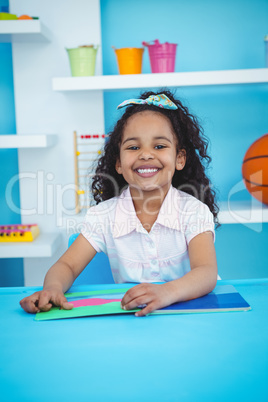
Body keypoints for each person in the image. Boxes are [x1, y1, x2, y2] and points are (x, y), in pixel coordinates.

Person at [20, 90, 219, 317]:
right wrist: (52, 288)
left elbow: (206, 272)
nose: (145, 155)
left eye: (159, 146)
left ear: (179, 158)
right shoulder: (103, 216)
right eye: (133, 147)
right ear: (118, 163)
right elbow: (67, 266)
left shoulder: (193, 212)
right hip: (134, 319)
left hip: (192, 316)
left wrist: (167, 292)